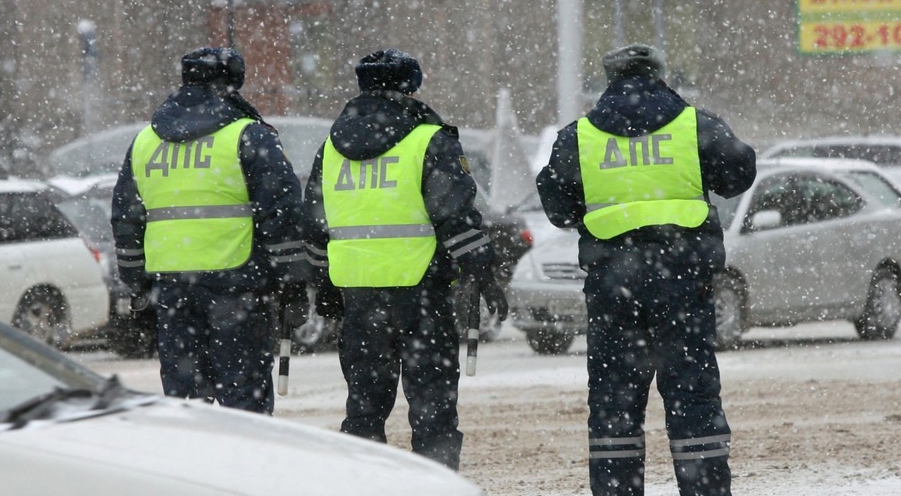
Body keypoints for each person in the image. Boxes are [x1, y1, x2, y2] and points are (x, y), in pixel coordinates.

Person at [536, 44, 756, 496]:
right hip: (683, 282)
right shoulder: (696, 124)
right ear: (660, 75)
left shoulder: (579, 136)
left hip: (611, 286)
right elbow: (738, 174)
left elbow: (557, 208)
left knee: (614, 399)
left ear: (609, 79)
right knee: (692, 395)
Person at [303, 48, 506, 470]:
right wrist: (481, 269)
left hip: (357, 294)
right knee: (432, 410)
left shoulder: (332, 148)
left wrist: (321, 281)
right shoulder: (428, 140)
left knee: (364, 409)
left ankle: (362, 483)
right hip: (422, 291)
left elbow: (316, 223)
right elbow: (455, 214)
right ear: (411, 87)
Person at [111, 47, 308, 415]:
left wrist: (135, 281)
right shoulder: (248, 136)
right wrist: (294, 280)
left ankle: (193, 468)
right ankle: (239, 468)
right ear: (233, 83)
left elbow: (126, 218)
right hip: (238, 281)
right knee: (242, 396)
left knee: (185, 399)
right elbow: (281, 212)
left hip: (172, 285)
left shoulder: (144, 143)